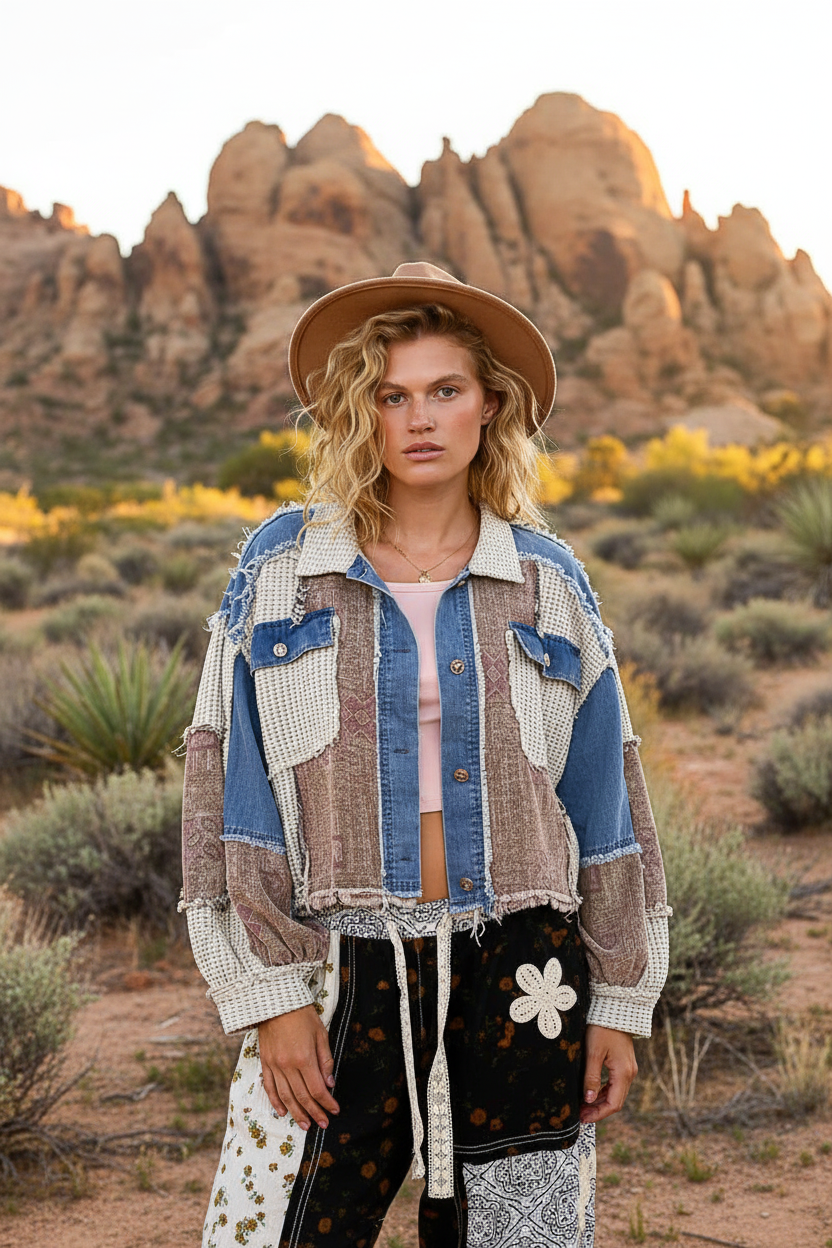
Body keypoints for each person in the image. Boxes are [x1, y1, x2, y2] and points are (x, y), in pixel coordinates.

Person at [180, 262, 670, 1248]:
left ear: (489, 404)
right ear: (355, 412)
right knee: (272, 1231)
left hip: (524, 970)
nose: (419, 419)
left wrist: (620, 997)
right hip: (336, 967)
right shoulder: (283, 569)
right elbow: (225, 788)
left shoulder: (546, 580)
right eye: (389, 395)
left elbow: (606, 801)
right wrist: (270, 996)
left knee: (519, 1240)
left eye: (445, 390)